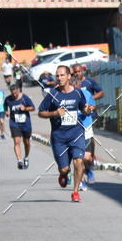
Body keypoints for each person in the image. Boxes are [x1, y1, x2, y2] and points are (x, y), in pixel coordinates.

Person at [38, 65, 94, 202]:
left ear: (69, 77)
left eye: (62, 75)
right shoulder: (52, 94)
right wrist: (54, 113)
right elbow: (40, 112)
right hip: (59, 137)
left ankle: (75, 192)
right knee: (64, 169)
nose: (59, 78)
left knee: (78, 161)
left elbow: (84, 108)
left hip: (76, 134)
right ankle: (64, 174)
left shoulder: (77, 93)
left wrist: (88, 110)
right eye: (57, 76)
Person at [71, 63, 103, 182]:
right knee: (78, 155)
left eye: (78, 71)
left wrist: (89, 103)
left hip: (87, 119)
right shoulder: (69, 89)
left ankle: (89, 167)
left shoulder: (89, 83)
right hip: (73, 126)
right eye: (74, 73)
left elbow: (101, 92)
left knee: (87, 154)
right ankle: (79, 178)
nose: (77, 74)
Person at [4, 82, 35, 169]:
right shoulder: (8, 99)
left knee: (26, 142)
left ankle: (26, 157)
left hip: (26, 124)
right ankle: (19, 161)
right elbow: (5, 105)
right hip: (14, 123)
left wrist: (25, 108)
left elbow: (33, 108)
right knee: (17, 142)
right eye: (12, 93)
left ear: (18, 90)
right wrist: (6, 111)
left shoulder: (25, 98)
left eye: (15, 93)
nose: (14, 95)